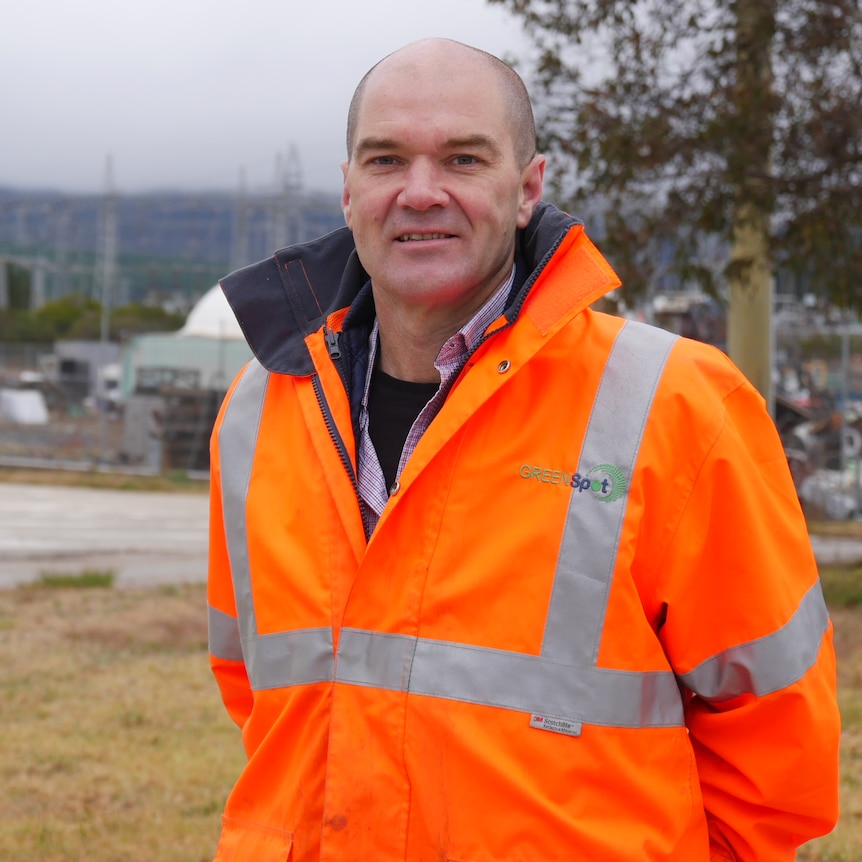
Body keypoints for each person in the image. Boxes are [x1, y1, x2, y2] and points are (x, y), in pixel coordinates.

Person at [207, 38, 840, 861]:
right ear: (349, 189)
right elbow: (261, 690)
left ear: (527, 189)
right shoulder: (260, 409)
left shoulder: (676, 405)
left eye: (463, 159)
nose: (420, 191)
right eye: (387, 159)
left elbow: (776, 737)